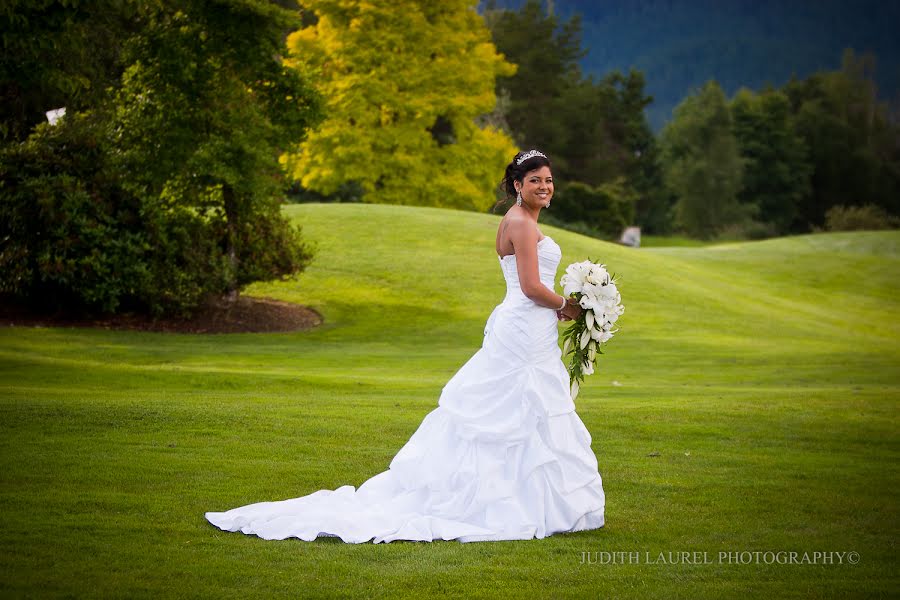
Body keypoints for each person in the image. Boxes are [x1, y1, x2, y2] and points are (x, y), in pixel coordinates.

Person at [205, 150, 606, 543]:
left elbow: (532, 287)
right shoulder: (519, 222)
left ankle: (526, 500)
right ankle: (500, 503)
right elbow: (533, 286)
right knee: (511, 410)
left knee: (528, 410)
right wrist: (567, 305)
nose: (544, 186)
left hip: (529, 326)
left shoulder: (520, 220)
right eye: (535, 180)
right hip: (523, 328)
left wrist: (561, 306)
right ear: (518, 185)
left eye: (548, 180)